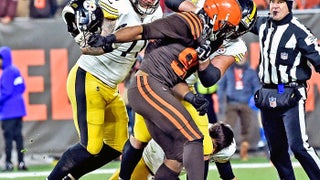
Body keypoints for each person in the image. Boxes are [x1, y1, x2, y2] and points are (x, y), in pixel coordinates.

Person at [86, 0, 245, 179]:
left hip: (162, 88)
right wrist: (109, 39)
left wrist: (192, 98)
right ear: (217, 19)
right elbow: (142, 31)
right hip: (148, 85)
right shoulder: (187, 22)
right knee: (193, 138)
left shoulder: (204, 39)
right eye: (228, 26)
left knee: (177, 156)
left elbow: (177, 78)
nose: (229, 32)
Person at [46, 0, 163, 179]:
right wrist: (89, 37)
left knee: (117, 145)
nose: (148, 1)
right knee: (90, 147)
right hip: (90, 78)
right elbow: (91, 48)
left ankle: (70, 177)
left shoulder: (157, 14)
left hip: (110, 86)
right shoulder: (119, 7)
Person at [250, 0, 320, 179]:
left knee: (299, 147)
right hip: (267, 95)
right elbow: (240, 16)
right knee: (277, 152)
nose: (275, 6)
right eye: (273, 1)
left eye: (280, 2)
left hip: (291, 94)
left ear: (290, 5)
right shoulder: (262, 25)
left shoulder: (299, 31)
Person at [109, 122, 236, 180]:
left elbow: (228, 176)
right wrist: (129, 155)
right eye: (210, 144)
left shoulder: (225, 151)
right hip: (147, 161)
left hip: (169, 173)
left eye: (215, 148)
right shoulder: (189, 130)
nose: (210, 149)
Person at [217, 51, 261, 161]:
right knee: (227, 127)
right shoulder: (229, 70)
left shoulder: (250, 71)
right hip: (232, 102)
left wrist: (255, 100)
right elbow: (221, 86)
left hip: (246, 102)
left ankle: (244, 149)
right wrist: (221, 101)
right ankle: (224, 150)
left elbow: (256, 86)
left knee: (247, 127)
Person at [0, 46, 28, 171]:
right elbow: (22, 87)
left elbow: (5, 92)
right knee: (19, 138)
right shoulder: (15, 70)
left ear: (3, 59)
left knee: (8, 139)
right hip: (19, 109)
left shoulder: (7, 72)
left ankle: (8, 163)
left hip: (8, 111)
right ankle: (21, 162)